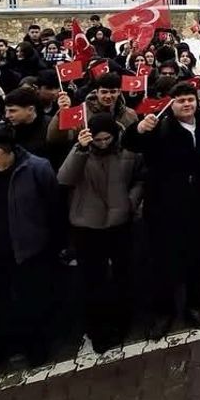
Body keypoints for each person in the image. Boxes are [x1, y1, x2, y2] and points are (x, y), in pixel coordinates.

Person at [122, 82, 200, 337]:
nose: (186, 104)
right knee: (163, 260)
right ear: (171, 103)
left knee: (196, 257)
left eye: (190, 99)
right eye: (180, 100)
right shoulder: (159, 127)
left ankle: (194, 306)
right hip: (164, 208)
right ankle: (164, 312)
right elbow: (130, 142)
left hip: (197, 206)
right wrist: (138, 128)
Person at [0, 126, 59, 376]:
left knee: (30, 302)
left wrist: (51, 247)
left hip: (27, 253)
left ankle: (34, 347)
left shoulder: (37, 169)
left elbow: (53, 208)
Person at [57, 114, 143, 352]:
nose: (103, 143)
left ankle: (122, 319)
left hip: (119, 222)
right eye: (98, 139)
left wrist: (131, 202)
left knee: (122, 273)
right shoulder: (80, 151)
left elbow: (138, 180)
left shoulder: (128, 152)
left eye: (107, 139)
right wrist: (80, 150)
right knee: (92, 280)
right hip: (87, 225)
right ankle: (98, 329)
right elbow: (64, 178)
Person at [4, 88, 52, 161]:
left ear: (30, 110)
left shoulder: (50, 128)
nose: (7, 115)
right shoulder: (8, 129)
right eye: (6, 111)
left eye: (12, 111)